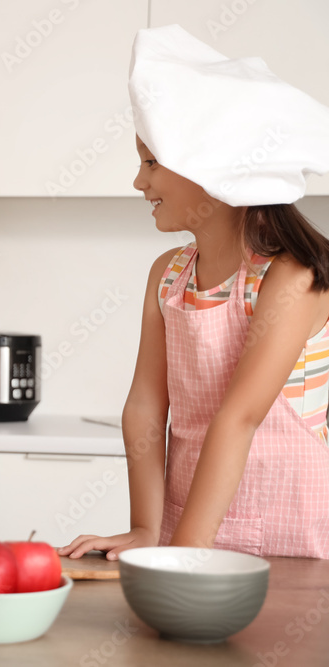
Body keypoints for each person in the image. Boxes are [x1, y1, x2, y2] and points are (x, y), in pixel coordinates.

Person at [60, 25, 329, 560]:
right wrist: (146, 531)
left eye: (152, 162)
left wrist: (182, 559)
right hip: (188, 528)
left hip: (293, 537)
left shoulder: (290, 279)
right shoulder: (169, 274)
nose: (140, 182)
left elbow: (239, 417)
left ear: (213, 171)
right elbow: (144, 408)